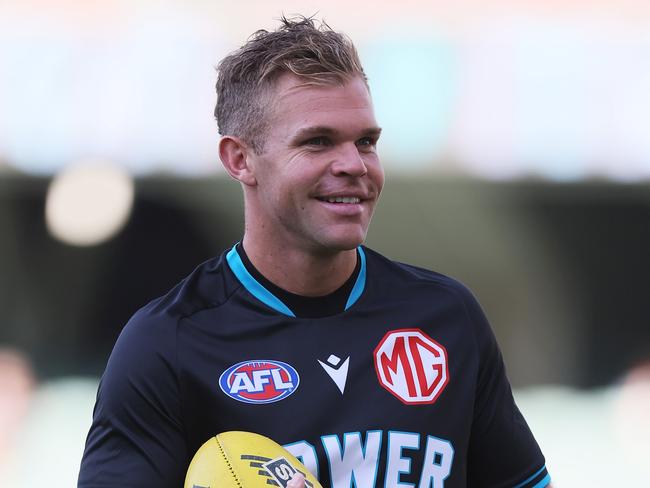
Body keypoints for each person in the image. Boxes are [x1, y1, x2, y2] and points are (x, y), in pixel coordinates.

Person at [78, 16, 551, 487]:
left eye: (366, 141)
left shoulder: (446, 317)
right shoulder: (166, 344)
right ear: (240, 159)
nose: (353, 165)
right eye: (317, 142)